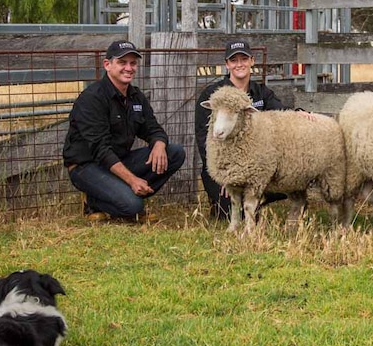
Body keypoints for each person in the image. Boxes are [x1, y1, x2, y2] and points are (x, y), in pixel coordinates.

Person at [63, 40, 185, 222]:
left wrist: (159, 144)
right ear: (107, 65)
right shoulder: (92, 98)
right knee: (134, 206)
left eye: (133, 63)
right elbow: (100, 150)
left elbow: (153, 128)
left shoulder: (136, 96)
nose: (129, 68)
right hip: (87, 166)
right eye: (122, 62)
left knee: (174, 152)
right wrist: (132, 180)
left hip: (119, 161)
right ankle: (95, 200)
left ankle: (117, 197)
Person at [195, 40, 308, 221]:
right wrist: (223, 175)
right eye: (234, 60)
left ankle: (257, 200)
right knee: (228, 208)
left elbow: (280, 112)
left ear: (252, 61)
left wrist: (299, 114)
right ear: (227, 64)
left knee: (283, 180)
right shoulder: (214, 95)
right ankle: (223, 204)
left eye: (244, 59)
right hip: (223, 167)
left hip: (254, 166)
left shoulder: (261, 92)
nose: (239, 64)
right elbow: (203, 137)